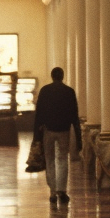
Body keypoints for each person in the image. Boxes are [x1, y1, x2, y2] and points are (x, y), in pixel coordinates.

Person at [33, 66, 82, 206]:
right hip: (64, 130)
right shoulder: (69, 91)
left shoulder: (45, 91)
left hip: (48, 130)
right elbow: (74, 114)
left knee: (49, 160)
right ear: (62, 76)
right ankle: (62, 190)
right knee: (62, 159)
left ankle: (52, 191)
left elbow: (39, 113)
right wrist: (78, 136)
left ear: (52, 76)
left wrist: (36, 133)